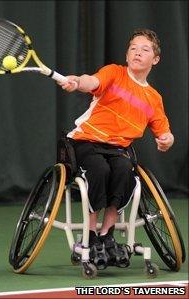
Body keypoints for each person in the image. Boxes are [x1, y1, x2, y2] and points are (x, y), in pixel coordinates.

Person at [57, 29, 174, 266]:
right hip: (86, 142)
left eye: (144, 49)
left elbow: (164, 132)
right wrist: (78, 81)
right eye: (133, 48)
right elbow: (92, 81)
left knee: (124, 172)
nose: (137, 52)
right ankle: (88, 238)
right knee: (99, 171)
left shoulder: (153, 98)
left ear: (156, 59)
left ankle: (106, 235)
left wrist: (167, 140)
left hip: (119, 150)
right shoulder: (114, 73)